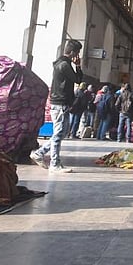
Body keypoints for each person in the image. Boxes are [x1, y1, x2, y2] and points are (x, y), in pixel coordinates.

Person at [30, 39, 84, 174]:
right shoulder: (64, 65)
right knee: (59, 132)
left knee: (63, 132)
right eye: (77, 52)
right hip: (60, 103)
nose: (78, 55)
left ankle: (39, 153)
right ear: (72, 52)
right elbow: (78, 79)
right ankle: (55, 163)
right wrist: (78, 66)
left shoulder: (61, 63)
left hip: (61, 102)